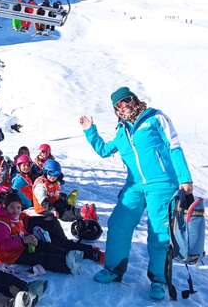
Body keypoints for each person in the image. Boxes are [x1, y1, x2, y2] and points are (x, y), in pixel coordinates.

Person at [79, 86, 194, 300]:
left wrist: (185, 179)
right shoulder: (121, 131)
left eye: (127, 100)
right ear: (116, 110)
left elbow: (174, 146)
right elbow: (104, 150)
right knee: (118, 224)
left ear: (135, 99)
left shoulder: (155, 118)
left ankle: (159, 280)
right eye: (119, 105)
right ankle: (114, 269)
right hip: (134, 185)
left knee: (158, 232)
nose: (124, 106)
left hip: (162, 183)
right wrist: (90, 130)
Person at [0, 193, 84, 275]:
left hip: (19, 246)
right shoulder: (0, 224)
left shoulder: (16, 218)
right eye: (12, 207)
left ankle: (67, 254)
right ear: (5, 207)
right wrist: (23, 240)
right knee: (40, 258)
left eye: (18, 207)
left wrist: (29, 237)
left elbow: (21, 231)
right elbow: (3, 245)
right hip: (10, 255)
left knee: (42, 245)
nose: (16, 210)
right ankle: (67, 266)